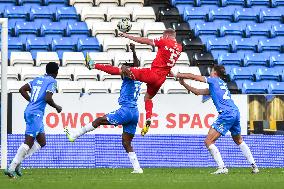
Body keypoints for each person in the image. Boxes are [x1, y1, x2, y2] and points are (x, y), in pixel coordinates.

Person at [85, 28, 182, 136]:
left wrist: (128, 36)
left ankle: (93, 65)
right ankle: (148, 119)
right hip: (161, 79)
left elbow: (146, 41)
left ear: (166, 36)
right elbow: (168, 62)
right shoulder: (179, 47)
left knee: (121, 71)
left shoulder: (164, 40)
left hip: (152, 74)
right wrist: (172, 73)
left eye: (163, 36)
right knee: (148, 98)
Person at [65, 43, 143, 174]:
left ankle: (74, 134)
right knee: (126, 142)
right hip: (135, 112)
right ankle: (137, 168)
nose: (122, 72)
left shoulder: (128, 76)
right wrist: (134, 51)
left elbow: (117, 70)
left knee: (99, 121)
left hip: (126, 110)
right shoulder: (138, 77)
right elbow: (136, 65)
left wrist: (95, 66)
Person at [173, 65, 259, 174]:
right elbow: (198, 92)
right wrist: (184, 84)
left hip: (226, 114)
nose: (210, 73)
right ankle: (254, 166)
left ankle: (222, 168)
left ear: (214, 73)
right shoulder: (221, 84)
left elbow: (193, 76)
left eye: (211, 71)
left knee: (208, 141)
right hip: (235, 112)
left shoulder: (213, 80)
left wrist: (178, 74)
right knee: (238, 140)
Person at [4, 62, 62, 178]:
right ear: (56, 72)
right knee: (29, 142)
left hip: (34, 113)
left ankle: (17, 161)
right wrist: (57, 107)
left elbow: (22, 89)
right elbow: (48, 98)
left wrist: (32, 101)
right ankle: (11, 168)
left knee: (42, 142)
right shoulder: (52, 82)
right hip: (35, 114)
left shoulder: (37, 79)